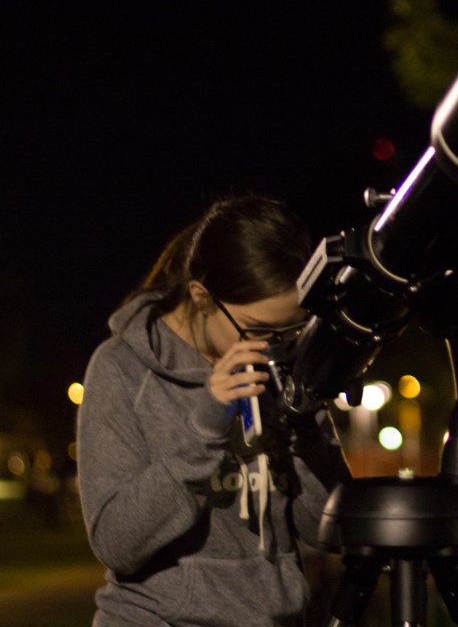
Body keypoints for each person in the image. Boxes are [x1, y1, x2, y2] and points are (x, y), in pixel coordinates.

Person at [77, 195, 352, 626]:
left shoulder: (282, 367)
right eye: (258, 330)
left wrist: (305, 432)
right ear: (201, 297)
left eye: (291, 331)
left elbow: (330, 529)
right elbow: (116, 543)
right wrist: (204, 433)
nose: (273, 346)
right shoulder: (122, 369)